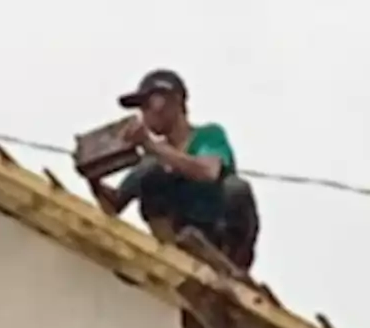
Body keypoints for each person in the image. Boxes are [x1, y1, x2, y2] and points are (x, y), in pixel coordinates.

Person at [86, 69, 259, 271]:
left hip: (218, 231)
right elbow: (113, 205)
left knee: (236, 189)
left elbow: (208, 172)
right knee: (151, 176)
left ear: (175, 101)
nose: (145, 113)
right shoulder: (153, 160)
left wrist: (154, 147)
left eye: (149, 104)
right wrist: (94, 177)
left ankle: (230, 263)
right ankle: (172, 249)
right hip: (181, 233)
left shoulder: (208, 136)